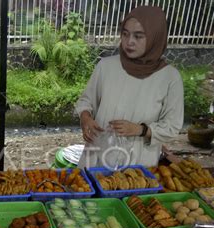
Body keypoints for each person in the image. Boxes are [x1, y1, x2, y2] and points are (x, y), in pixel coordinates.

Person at [75, 6, 184, 168]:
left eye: (138, 36)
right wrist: (85, 118)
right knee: (91, 190)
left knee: (132, 192)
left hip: (139, 162)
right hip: (98, 154)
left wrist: (140, 130)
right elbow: (86, 101)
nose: (129, 41)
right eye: (125, 34)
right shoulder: (106, 67)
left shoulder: (170, 78)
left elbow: (172, 125)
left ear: (155, 37)